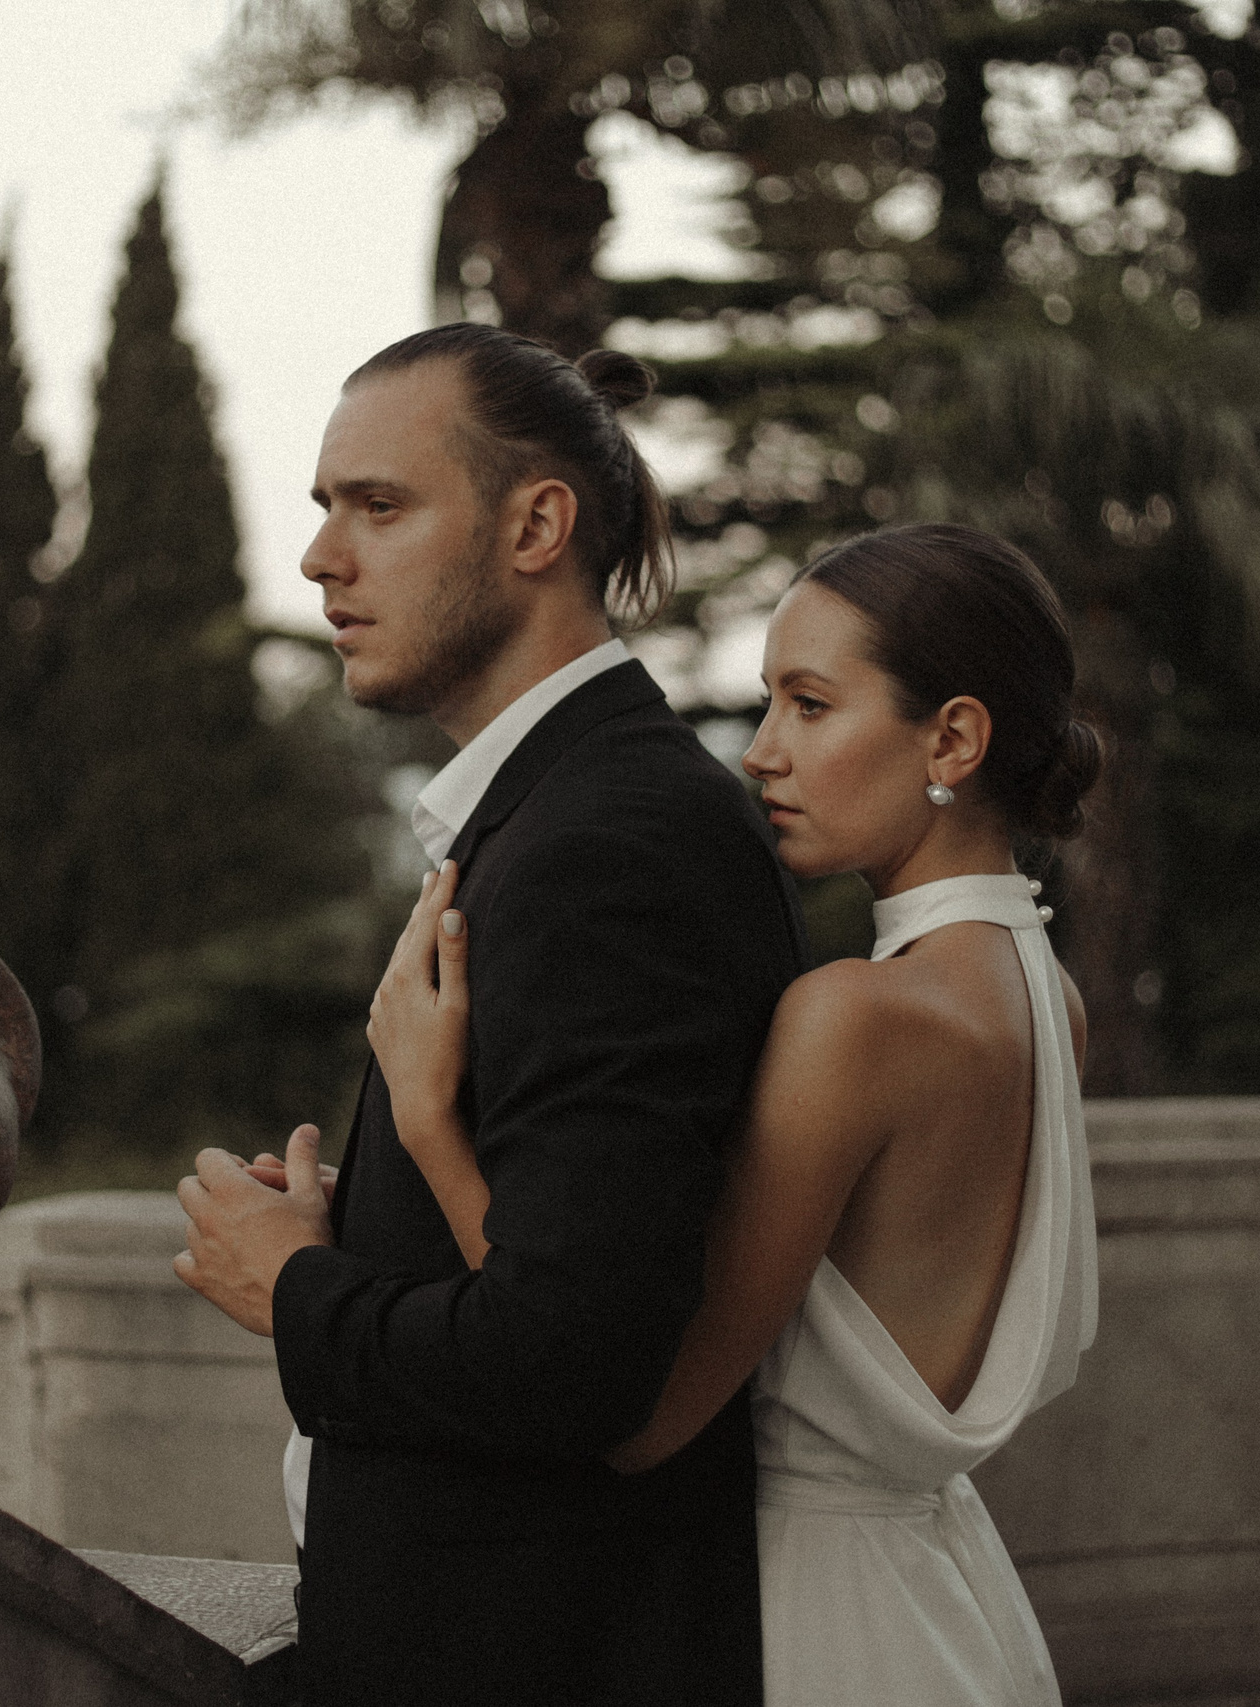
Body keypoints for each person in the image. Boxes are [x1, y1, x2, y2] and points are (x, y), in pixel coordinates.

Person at [173, 323, 804, 1705]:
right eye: (324, 507)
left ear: (536, 524)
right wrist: (369, 1227)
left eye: (379, 506)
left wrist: (288, 1281)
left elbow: (575, 1361)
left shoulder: (612, 842)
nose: (321, 557)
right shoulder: (551, 815)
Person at [366, 522, 1104, 1703]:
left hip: (814, 1630)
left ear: (953, 738)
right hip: (951, 1616)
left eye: (809, 707)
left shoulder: (855, 1020)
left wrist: (427, 1122)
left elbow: (637, 1415)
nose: (760, 754)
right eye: (768, 704)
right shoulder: (1042, 1001)